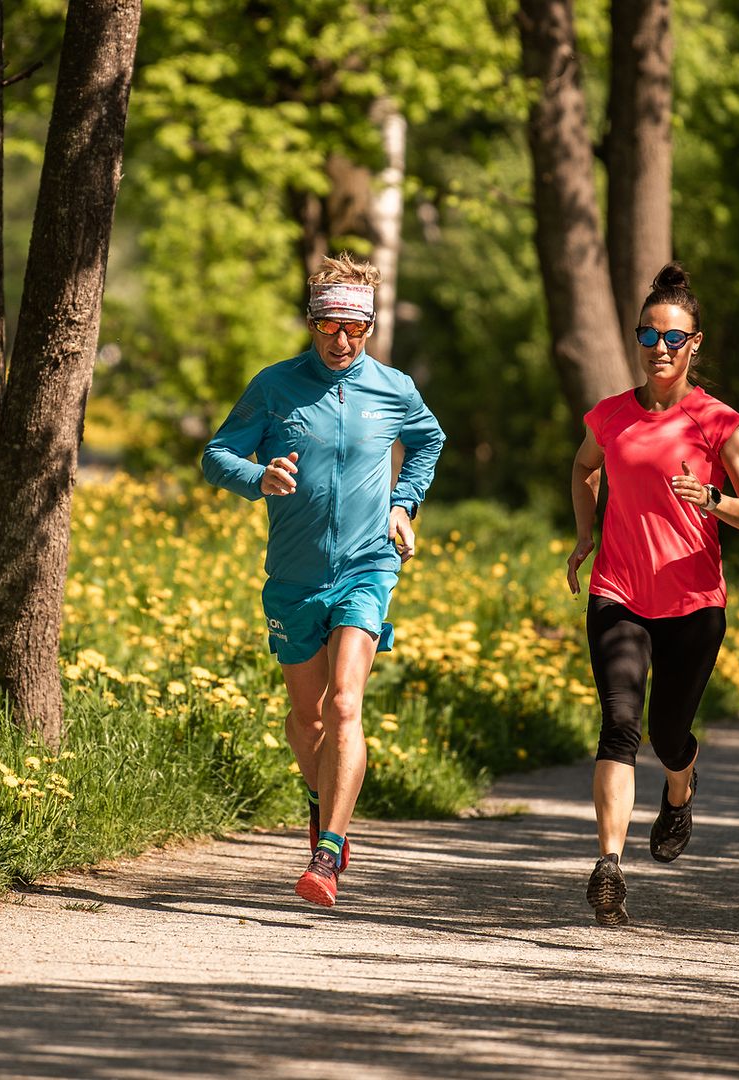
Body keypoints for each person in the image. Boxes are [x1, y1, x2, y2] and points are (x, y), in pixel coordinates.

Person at [202, 253, 446, 908]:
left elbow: (429, 440)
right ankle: (322, 796)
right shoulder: (275, 386)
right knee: (305, 717)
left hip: (369, 563)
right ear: (311, 323)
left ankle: (329, 851)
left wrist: (404, 503)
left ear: (370, 327)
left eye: (356, 330)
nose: (343, 342)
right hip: (292, 578)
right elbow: (216, 455)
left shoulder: (392, 388)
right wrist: (260, 478)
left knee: (344, 705)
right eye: (330, 327)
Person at [564, 262, 739, 927]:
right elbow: (584, 468)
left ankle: (680, 787)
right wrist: (585, 534)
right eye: (648, 336)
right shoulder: (611, 416)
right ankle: (608, 867)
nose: (659, 348)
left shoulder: (719, 423)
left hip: (693, 603)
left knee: (666, 732)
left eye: (673, 338)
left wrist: (712, 499)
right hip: (618, 592)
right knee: (618, 724)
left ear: (695, 345)